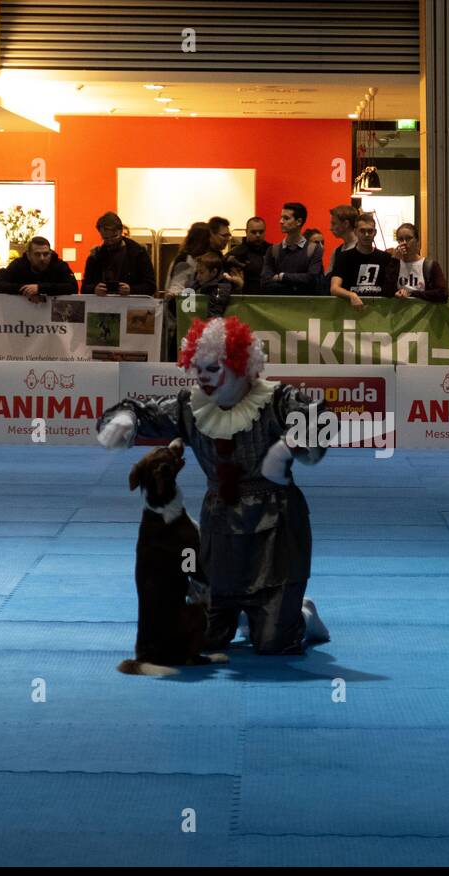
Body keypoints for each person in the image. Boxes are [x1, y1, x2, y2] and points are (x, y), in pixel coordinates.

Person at [96, 316, 331, 656]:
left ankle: (302, 614)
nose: (203, 376)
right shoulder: (190, 407)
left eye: (213, 367)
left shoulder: (276, 400)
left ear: (239, 364)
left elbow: (322, 418)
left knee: (273, 643)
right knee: (207, 637)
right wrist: (125, 419)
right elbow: (141, 410)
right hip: (220, 530)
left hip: (277, 531)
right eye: (198, 367)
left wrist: (288, 447)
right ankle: (252, 611)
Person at [329, 212, 398, 309]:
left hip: (378, 313)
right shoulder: (343, 257)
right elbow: (334, 288)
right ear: (355, 232)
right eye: (362, 231)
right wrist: (351, 295)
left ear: (375, 233)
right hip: (350, 312)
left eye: (370, 231)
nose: (366, 234)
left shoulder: (385, 258)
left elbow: (391, 288)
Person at [83, 211, 157, 297]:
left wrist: (131, 290)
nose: (110, 242)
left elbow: (151, 286)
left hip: (130, 305)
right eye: (105, 238)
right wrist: (94, 289)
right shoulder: (95, 256)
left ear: (121, 231)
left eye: (114, 236)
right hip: (104, 306)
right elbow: (84, 288)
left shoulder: (138, 253)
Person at [0, 236, 78, 302]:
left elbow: (73, 287)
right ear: (28, 255)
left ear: (50, 253)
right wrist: (26, 291)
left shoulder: (59, 265)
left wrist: (40, 288)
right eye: (37, 254)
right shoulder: (19, 264)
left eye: (46, 254)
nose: (42, 258)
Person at [262, 203, 323, 295]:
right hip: (279, 305)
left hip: (304, 305)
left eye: (286, 218)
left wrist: (282, 277)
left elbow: (312, 279)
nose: (281, 221)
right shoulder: (273, 250)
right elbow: (265, 282)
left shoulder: (314, 249)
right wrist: (296, 285)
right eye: (281, 217)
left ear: (298, 222)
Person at [390, 222, 448, 303]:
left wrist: (412, 294)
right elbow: (386, 290)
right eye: (400, 239)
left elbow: (443, 294)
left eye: (408, 238)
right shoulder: (394, 264)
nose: (404, 243)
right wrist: (394, 261)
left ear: (417, 241)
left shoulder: (430, 265)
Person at [227, 217, 270, 294]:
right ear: (246, 232)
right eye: (253, 232)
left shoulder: (272, 251)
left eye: (261, 232)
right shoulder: (236, 254)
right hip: (246, 297)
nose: (258, 235)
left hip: (269, 297)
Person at [327, 204, 358, 274]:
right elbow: (328, 276)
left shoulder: (361, 249)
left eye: (334, 223)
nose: (331, 228)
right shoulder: (337, 251)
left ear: (346, 224)